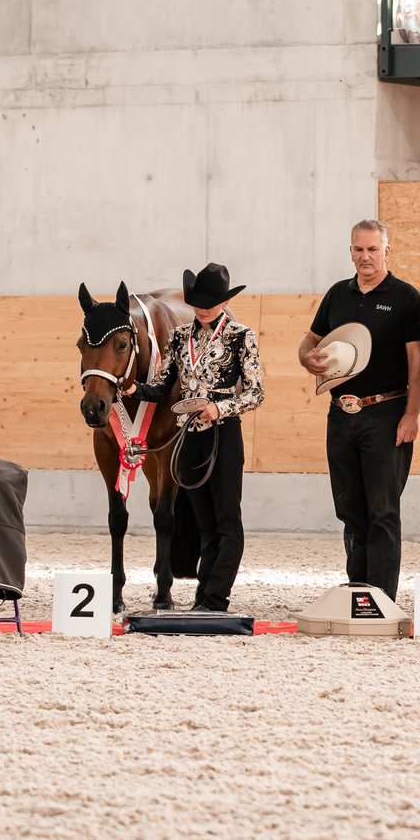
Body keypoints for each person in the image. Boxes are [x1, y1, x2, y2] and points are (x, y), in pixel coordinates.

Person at [123, 262, 263, 612]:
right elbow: (161, 385)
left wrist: (220, 408)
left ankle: (216, 597)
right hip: (188, 438)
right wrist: (133, 388)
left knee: (227, 519)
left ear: (223, 302)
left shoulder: (241, 336)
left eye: (210, 301)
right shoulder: (180, 336)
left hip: (224, 434)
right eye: (198, 300)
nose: (202, 307)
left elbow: (256, 393)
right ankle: (204, 596)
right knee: (203, 521)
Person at [298, 220, 420, 600]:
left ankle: (381, 599)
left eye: (372, 249)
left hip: (387, 414)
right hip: (341, 415)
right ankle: (358, 591)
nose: (365, 257)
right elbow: (310, 339)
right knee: (349, 510)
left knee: (383, 512)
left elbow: (417, 365)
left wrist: (412, 415)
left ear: (387, 251)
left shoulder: (406, 298)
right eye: (358, 249)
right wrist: (306, 358)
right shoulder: (338, 294)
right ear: (350, 251)